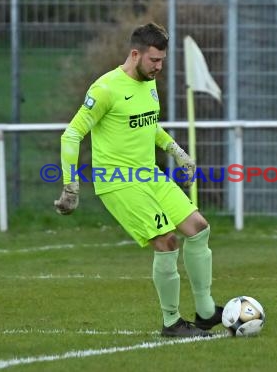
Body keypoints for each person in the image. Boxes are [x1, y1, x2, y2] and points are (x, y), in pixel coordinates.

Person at [54, 22, 222, 337]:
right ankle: (172, 323)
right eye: (154, 60)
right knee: (167, 241)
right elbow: (72, 133)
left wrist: (178, 152)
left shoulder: (149, 82)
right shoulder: (105, 89)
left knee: (198, 228)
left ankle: (206, 311)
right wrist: (70, 184)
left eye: (162, 60)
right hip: (118, 181)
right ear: (136, 54)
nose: (159, 67)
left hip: (149, 175)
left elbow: (148, 126)